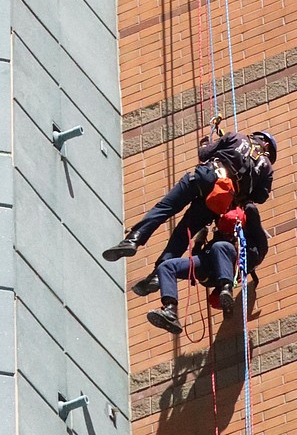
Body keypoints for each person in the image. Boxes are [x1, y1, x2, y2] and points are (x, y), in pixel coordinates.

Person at [102, 125, 277, 262]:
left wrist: (205, 144)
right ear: (267, 146)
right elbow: (261, 197)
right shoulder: (267, 168)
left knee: (166, 207)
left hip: (206, 176)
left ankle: (133, 239)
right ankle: (157, 274)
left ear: (258, 138)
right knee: (184, 231)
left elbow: (204, 154)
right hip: (218, 199)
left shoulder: (236, 137)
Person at [147, 202, 269, 335]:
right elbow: (252, 216)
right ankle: (171, 312)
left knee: (218, 247)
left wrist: (199, 242)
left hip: (224, 261)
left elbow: (198, 257)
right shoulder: (245, 238)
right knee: (166, 266)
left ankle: (225, 288)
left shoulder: (239, 248)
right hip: (212, 261)